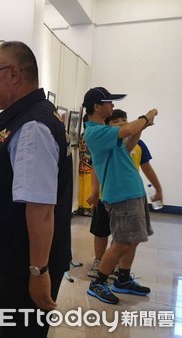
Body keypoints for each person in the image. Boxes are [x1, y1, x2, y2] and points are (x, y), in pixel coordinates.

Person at [0, 40, 73, 337]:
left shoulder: (33, 127)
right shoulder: (24, 117)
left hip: (20, 268)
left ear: (14, 73)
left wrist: (38, 272)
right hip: (12, 262)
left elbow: (40, 208)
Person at [82, 87, 158, 305]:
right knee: (122, 242)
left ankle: (123, 279)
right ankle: (98, 283)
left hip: (132, 191)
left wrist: (141, 128)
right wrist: (147, 116)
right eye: (109, 103)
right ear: (97, 106)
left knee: (133, 239)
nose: (113, 107)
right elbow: (127, 130)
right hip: (121, 194)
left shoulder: (105, 130)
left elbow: (127, 145)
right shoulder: (95, 132)